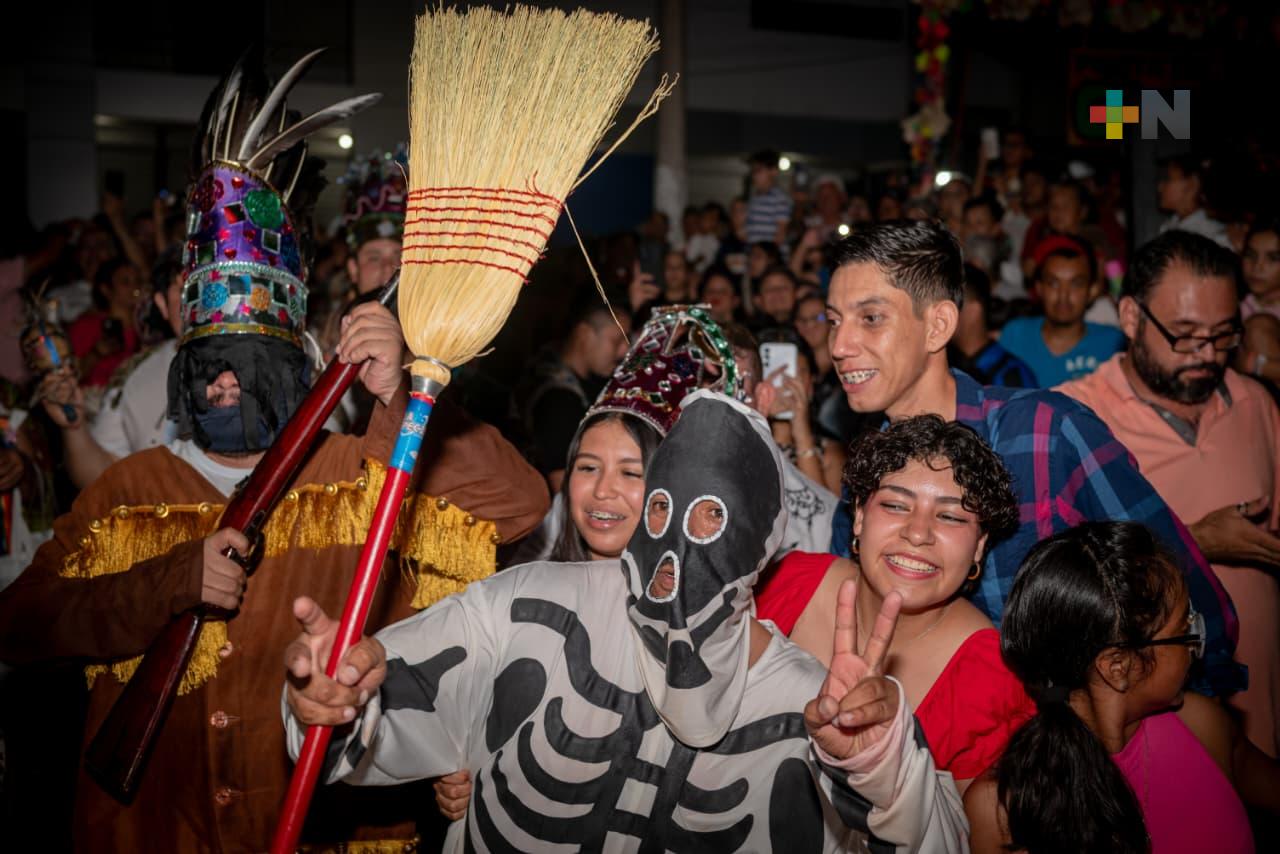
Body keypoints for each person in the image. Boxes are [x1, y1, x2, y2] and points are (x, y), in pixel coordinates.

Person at [0, 55, 548, 853]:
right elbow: (20, 626)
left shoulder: (357, 474)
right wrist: (169, 581)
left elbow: (519, 505)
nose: (224, 382)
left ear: (292, 368)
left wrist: (403, 390)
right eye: (207, 360)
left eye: (247, 363)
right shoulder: (129, 490)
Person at [284, 390, 969, 853]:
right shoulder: (523, 610)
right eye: (666, 512)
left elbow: (937, 842)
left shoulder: (818, 715)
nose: (678, 550)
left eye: (712, 519)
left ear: (760, 546)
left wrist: (882, 766)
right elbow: (363, 717)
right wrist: (334, 699)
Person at [823, 220, 1242, 697]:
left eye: (870, 318)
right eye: (834, 320)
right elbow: (853, 620)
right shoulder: (869, 467)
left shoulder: (1043, 433)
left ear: (937, 325)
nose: (839, 346)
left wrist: (1147, 731)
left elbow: (1191, 601)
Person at [1059, 229, 1280, 757]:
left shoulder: (1255, 404)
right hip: (1145, 743)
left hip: (1260, 720)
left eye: (1223, 334)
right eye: (1184, 334)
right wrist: (1194, 542)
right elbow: (1060, 587)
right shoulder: (1074, 420)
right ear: (1131, 318)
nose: (1206, 353)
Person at [758, 415, 1033, 793]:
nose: (918, 533)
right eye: (897, 506)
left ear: (979, 547)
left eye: (950, 516)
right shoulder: (788, 582)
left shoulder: (990, 678)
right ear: (858, 517)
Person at [966, 522, 1279, 854]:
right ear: (1118, 667)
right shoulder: (1000, 809)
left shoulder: (1202, 725)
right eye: (1184, 628)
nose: (1194, 644)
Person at [39, 259, 185, 488]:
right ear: (162, 303)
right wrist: (74, 427)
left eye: (209, 283)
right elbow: (102, 478)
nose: (200, 300)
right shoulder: (135, 373)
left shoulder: (260, 363)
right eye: (185, 287)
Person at [521, 303, 632, 491]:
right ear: (584, 334)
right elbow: (563, 487)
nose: (624, 352)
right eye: (616, 341)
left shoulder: (586, 381)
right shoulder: (558, 399)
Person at [999, 235, 1125, 387]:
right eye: (1053, 283)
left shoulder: (1113, 342)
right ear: (1039, 288)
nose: (1063, 296)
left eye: (1075, 284)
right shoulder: (1015, 334)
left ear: (1092, 290)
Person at [948, 264, 1036, 387]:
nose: (940, 316)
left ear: (972, 311)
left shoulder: (1010, 376)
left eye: (949, 308)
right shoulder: (944, 366)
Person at [67, 257, 147, 388]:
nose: (135, 287)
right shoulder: (87, 326)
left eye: (138, 281)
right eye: (126, 282)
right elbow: (70, 376)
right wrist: (96, 353)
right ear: (106, 290)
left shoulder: (148, 327)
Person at [1237, 216, 1280, 386]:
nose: (1257, 266)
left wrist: (1253, 365)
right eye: (1251, 255)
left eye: (1273, 258)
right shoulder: (1238, 308)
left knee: (1259, 327)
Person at [1158, 154, 1230, 248]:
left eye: (1168, 179)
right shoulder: (1167, 227)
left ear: (1192, 184)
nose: (1160, 187)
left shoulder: (1214, 234)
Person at [744, 149, 793, 248]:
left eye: (758, 171)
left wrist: (767, 258)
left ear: (773, 171)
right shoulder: (754, 198)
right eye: (752, 171)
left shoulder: (780, 199)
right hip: (754, 257)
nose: (754, 175)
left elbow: (780, 234)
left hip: (771, 259)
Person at [752, 264, 799, 329]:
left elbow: (818, 317)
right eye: (769, 289)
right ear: (758, 300)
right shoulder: (747, 333)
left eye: (783, 287)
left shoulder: (816, 320)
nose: (776, 292)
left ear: (797, 294)